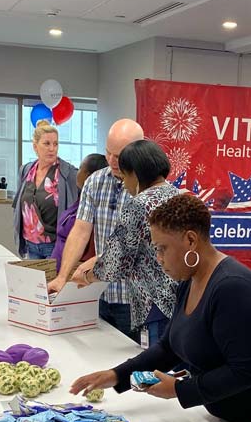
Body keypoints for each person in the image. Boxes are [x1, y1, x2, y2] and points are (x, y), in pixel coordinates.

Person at [69, 193, 251, 422]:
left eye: (162, 249)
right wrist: (116, 375)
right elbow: (170, 347)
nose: (158, 259)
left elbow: (247, 370)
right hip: (237, 420)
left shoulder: (233, 289)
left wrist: (178, 390)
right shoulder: (190, 280)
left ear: (191, 241)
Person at [48, 118, 143, 340]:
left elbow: (135, 243)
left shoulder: (148, 187)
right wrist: (63, 276)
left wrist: (98, 261)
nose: (111, 160)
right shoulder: (95, 182)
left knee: (133, 367)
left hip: (135, 300)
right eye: (108, 152)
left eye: (119, 156)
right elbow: (80, 231)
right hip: (97, 293)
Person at [78, 140, 180, 345]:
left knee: (153, 368)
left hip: (153, 303)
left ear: (135, 173)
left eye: (124, 177)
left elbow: (117, 261)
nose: (124, 184)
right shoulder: (176, 195)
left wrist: (87, 276)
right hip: (179, 300)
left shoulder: (139, 204)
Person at [13, 120, 78, 259]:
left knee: (52, 281)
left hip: (54, 246)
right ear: (35, 147)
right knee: (33, 281)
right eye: (47, 144)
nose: (52, 148)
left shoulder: (67, 172)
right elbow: (19, 204)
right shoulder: (26, 170)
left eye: (55, 144)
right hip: (30, 244)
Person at [51, 153, 108, 271]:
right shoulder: (81, 199)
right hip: (60, 266)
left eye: (80, 168)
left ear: (88, 175)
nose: (77, 171)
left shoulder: (95, 208)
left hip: (74, 271)